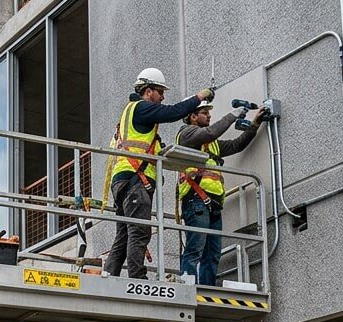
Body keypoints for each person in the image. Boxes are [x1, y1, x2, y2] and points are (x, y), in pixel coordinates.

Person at [106, 68, 214, 280]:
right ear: (148, 91)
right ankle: (137, 278)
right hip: (135, 180)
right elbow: (173, 112)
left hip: (123, 179)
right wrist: (199, 97)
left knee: (124, 234)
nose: (162, 97)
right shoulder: (142, 108)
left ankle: (109, 275)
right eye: (160, 92)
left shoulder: (129, 114)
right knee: (140, 231)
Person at [174, 98, 268, 285]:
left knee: (212, 253)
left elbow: (236, 145)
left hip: (213, 203)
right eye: (204, 113)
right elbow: (210, 132)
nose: (209, 115)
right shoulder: (187, 134)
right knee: (195, 248)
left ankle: (207, 288)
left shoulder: (212, 143)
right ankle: (188, 288)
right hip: (196, 200)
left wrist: (255, 123)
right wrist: (233, 115)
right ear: (193, 116)